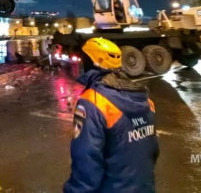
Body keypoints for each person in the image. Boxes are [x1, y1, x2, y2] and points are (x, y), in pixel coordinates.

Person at [64, 37, 158, 193]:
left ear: (92, 62)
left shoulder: (92, 102)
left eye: (84, 58)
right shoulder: (145, 100)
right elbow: (152, 150)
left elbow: (87, 159)